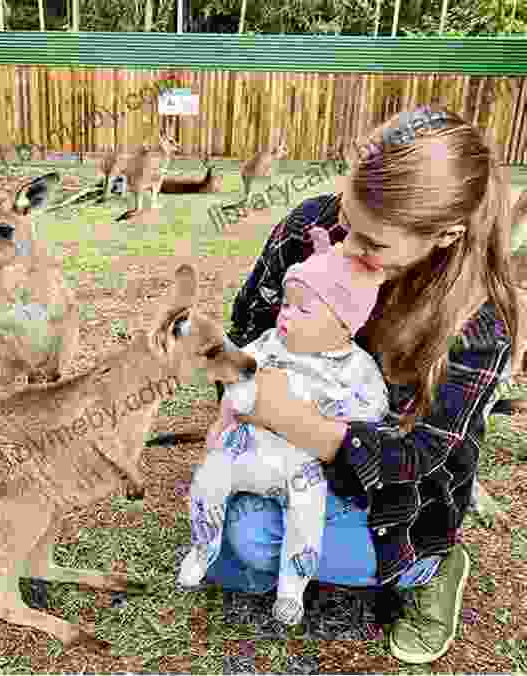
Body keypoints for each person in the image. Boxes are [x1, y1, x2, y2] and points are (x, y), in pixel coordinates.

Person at [192, 105, 523, 665]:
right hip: (285, 454)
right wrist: (234, 407)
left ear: (445, 234)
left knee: (251, 543)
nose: (345, 250)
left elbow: (421, 457)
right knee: (232, 549)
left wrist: (288, 417)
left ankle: (432, 568)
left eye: (372, 246)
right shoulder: (307, 229)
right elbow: (249, 328)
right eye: (348, 222)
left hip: (391, 495)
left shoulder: (478, 319)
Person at [177, 230, 390, 627]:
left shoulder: (358, 369)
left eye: (303, 309)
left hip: (301, 463)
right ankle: (202, 549)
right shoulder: (270, 342)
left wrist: (315, 421)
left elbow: (365, 424)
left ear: (346, 324)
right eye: (286, 305)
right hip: (245, 446)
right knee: (208, 483)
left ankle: (292, 588)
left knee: (306, 516)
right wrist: (218, 427)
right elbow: (236, 381)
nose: (286, 314)